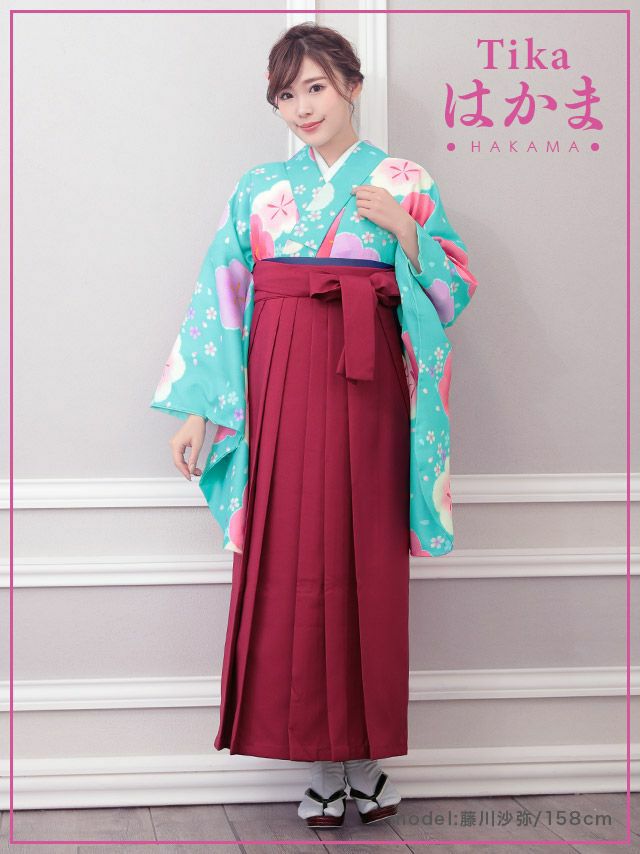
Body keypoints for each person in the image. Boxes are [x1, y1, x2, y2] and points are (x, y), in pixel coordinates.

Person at [150, 22, 478, 828]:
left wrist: (406, 232)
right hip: (281, 382)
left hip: (368, 386)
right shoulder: (258, 190)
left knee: (365, 556)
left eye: (317, 87)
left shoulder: (403, 182)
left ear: (352, 87)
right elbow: (222, 296)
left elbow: (453, 291)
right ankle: (319, 760)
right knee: (293, 553)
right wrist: (197, 409)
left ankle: (363, 759)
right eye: (286, 94)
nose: (302, 107)